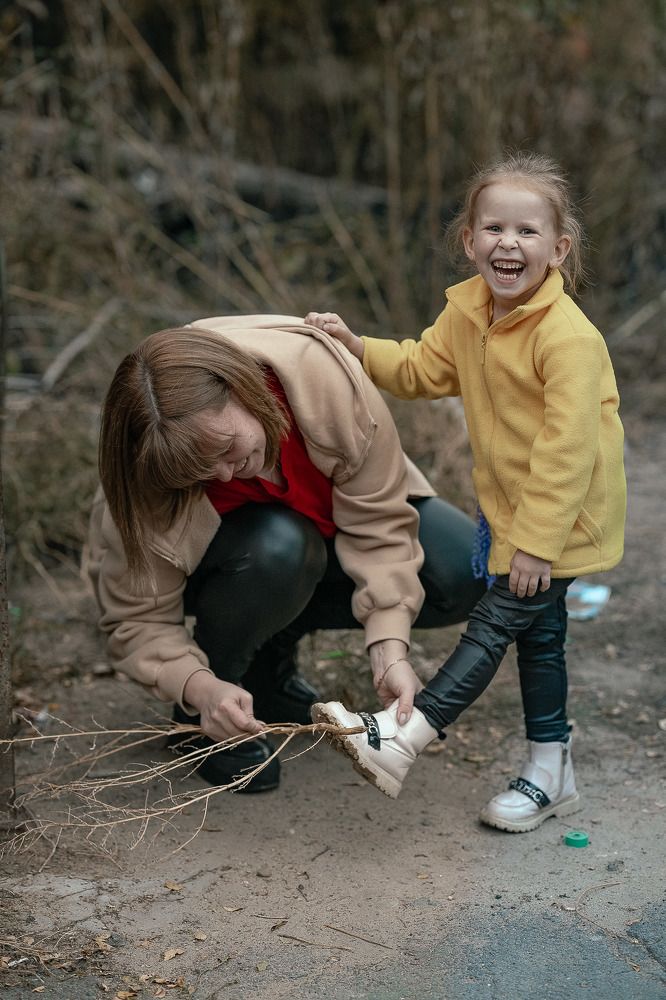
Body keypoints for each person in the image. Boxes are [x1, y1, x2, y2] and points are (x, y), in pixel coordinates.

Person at [304, 151, 626, 832]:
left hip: (560, 520)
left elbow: (568, 454)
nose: (509, 242)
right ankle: (551, 770)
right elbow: (422, 367)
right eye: (494, 228)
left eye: (528, 232)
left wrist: (538, 544)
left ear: (559, 249)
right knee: (539, 641)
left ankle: (406, 736)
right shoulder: (470, 313)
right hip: (513, 513)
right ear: (470, 240)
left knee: (495, 623)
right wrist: (359, 347)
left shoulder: (567, 339)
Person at [88, 316, 485, 793]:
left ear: (241, 389)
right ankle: (212, 712)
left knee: (464, 571)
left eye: (228, 447)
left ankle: (268, 668)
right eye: (200, 472)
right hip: (243, 565)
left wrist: (388, 647)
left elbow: (380, 525)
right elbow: (137, 619)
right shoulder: (150, 468)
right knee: (281, 545)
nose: (226, 474)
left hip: (321, 542)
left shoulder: (323, 377)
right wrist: (199, 687)